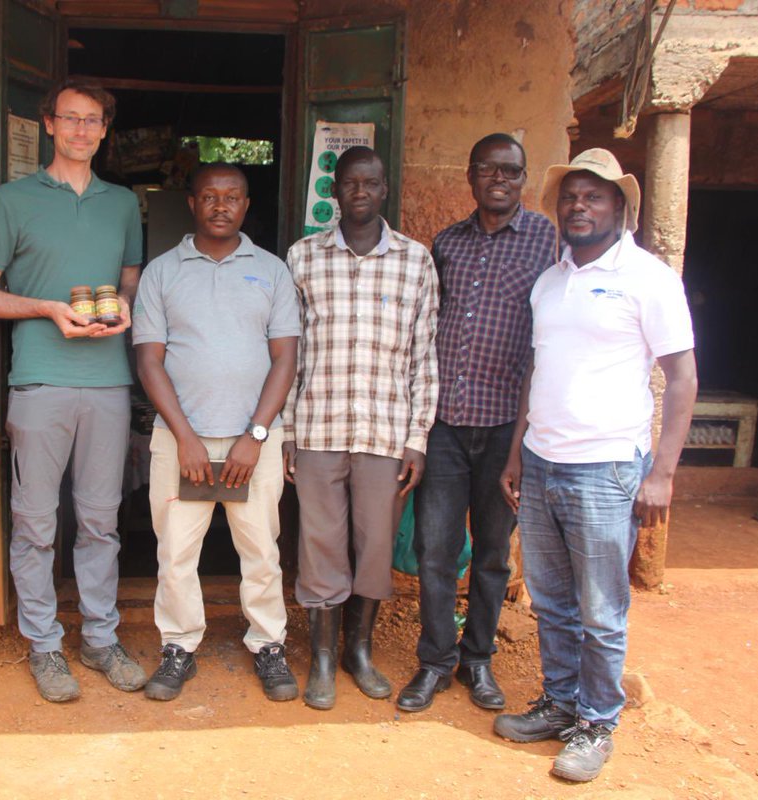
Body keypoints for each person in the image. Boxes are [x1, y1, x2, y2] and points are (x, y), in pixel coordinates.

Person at [495, 148, 697, 782]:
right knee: (551, 601)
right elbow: (537, 369)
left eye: (595, 197)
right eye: (571, 197)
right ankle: (559, 703)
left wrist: (662, 473)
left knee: (601, 608)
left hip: (607, 469)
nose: (579, 207)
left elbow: (683, 377)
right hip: (543, 460)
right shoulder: (550, 281)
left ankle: (598, 720)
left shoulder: (650, 277)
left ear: (621, 208)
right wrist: (517, 451)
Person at [0, 78, 147, 703]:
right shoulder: (13, 200)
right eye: (69, 119)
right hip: (40, 380)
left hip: (108, 381)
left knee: (101, 522)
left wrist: (123, 308)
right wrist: (48, 308)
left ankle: (100, 638)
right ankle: (44, 646)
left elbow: (129, 279)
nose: (80, 130)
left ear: (104, 130)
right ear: (48, 124)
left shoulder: (122, 203)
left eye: (92, 120)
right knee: (37, 523)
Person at [399, 134, 557, 713]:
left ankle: (478, 660)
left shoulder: (547, 241)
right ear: (470, 176)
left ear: (524, 179)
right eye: (489, 169)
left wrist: (524, 437)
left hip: (505, 432)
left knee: (492, 552)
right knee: (435, 551)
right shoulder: (447, 243)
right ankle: (435, 661)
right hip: (443, 425)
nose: (500, 179)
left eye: (512, 171)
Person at [133, 163, 300, 702]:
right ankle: (179, 645)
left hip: (254, 442)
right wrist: (185, 437)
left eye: (232, 197)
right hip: (182, 440)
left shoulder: (272, 271)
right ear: (192, 202)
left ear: (247, 205)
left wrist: (255, 434)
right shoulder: (162, 272)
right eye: (210, 196)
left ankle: (269, 643)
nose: (221, 206)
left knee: (261, 548)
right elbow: (149, 360)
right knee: (176, 551)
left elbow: (285, 359)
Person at [283, 146, 439, 710]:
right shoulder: (302, 258)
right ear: (335, 190)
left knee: (374, 545)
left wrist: (417, 437)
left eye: (370, 183)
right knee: (320, 543)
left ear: (384, 190)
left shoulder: (416, 261)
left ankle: (359, 651)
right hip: (319, 427)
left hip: (386, 431)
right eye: (349, 183)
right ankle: (322, 658)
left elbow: (425, 357)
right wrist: (288, 431)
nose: (360, 193)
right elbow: (288, 354)